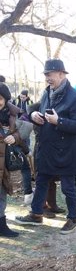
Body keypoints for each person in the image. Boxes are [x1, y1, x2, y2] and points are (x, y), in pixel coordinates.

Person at [15, 59, 76, 234]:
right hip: (47, 149)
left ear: (62, 74)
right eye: (46, 74)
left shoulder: (75, 98)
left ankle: (72, 218)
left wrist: (59, 121)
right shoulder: (47, 93)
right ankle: (36, 214)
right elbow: (38, 110)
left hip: (67, 151)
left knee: (67, 187)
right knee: (41, 182)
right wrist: (34, 115)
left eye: (50, 74)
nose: (47, 77)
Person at [0, 82, 23, 237]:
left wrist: (14, 138)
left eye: (0, 98)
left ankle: (2, 226)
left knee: (3, 193)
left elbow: (22, 134)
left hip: (7, 162)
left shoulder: (13, 115)